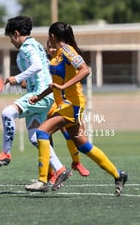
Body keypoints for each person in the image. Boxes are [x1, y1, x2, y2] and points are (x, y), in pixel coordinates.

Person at [24, 22, 128, 196]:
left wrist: (64, 86)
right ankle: (118, 175)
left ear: (52, 36)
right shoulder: (57, 54)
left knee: (41, 133)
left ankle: (43, 181)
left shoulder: (67, 50)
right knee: (83, 145)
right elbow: (56, 84)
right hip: (66, 105)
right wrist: (40, 96)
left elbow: (85, 70)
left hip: (72, 105)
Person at [0, 15, 72, 190]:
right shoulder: (35, 44)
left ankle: (6, 153)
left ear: (15, 34)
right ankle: (60, 169)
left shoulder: (27, 47)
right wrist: (26, 82)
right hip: (43, 95)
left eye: (10, 38)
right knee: (36, 137)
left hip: (39, 94)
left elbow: (37, 66)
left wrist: (17, 78)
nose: (11, 42)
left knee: (7, 113)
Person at [46, 39, 90, 177]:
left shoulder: (64, 58)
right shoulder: (47, 64)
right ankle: (50, 172)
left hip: (68, 102)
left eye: (53, 47)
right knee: (43, 136)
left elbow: (82, 70)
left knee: (71, 134)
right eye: (49, 47)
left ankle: (76, 162)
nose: (52, 50)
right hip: (52, 103)